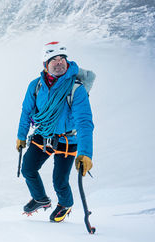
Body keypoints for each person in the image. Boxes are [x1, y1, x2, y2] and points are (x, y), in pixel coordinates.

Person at [16, 41, 94, 223]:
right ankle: (40, 199)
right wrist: (21, 136)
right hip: (43, 134)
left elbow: (84, 122)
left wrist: (85, 154)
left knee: (59, 181)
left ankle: (65, 204)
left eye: (62, 59)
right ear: (45, 64)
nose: (59, 63)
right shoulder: (35, 86)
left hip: (67, 139)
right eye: (54, 60)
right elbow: (26, 112)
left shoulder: (76, 89)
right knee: (28, 169)